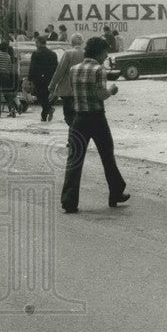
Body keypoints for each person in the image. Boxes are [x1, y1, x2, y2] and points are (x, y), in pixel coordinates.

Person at [60, 36, 129, 214]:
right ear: (98, 52)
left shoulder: (74, 69)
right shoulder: (99, 69)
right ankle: (115, 192)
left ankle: (69, 200)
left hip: (78, 119)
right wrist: (111, 91)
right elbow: (100, 95)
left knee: (74, 159)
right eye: (105, 52)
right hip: (97, 118)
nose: (106, 55)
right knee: (107, 156)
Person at [49, 33, 85, 126]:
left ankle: (73, 132)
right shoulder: (86, 53)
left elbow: (60, 70)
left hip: (68, 89)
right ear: (82, 42)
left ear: (71, 43)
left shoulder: (68, 53)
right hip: (83, 89)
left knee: (69, 115)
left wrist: (52, 84)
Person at [28, 35, 58, 122]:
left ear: (38, 43)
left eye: (36, 42)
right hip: (50, 78)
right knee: (46, 97)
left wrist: (30, 79)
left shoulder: (36, 53)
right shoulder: (53, 54)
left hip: (39, 79)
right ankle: (44, 116)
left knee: (41, 97)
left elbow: (33, 67)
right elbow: (55, 67)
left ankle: (48, 110)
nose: (35, 44)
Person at [0, 41, 15, 117]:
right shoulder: (8, 56)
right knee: (7, 93)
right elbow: (10, 67)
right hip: (6, 76)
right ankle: (12, 109)